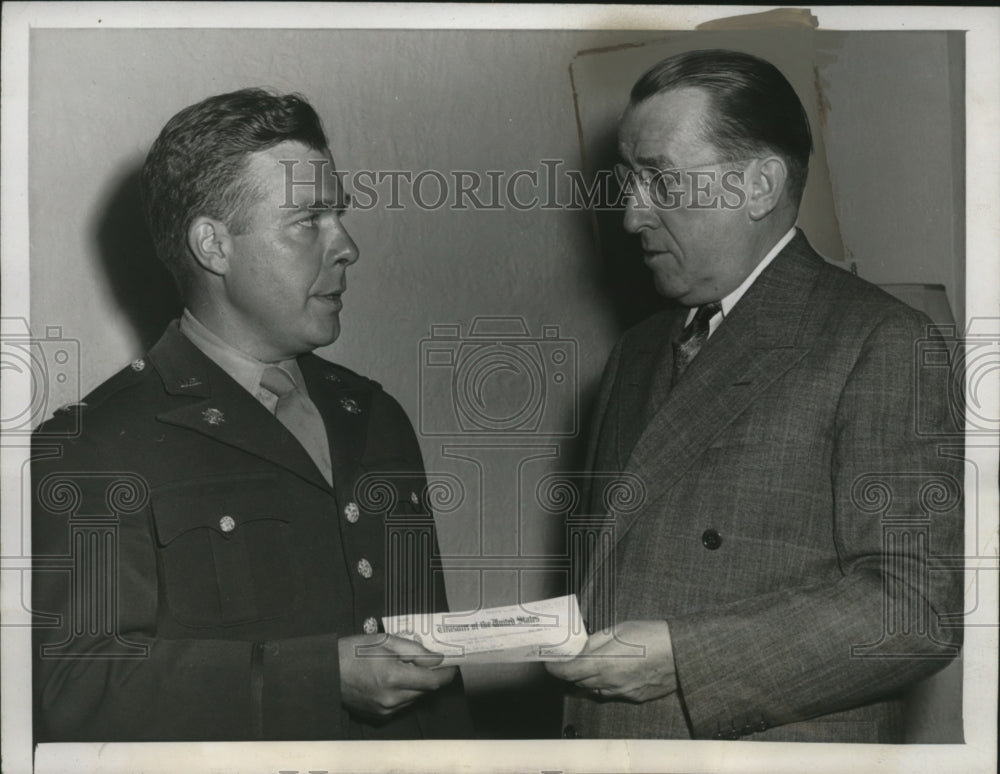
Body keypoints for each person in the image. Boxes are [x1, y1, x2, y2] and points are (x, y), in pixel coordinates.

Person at [545, 49, 963, 742]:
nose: (630, 216)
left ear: (758, 185)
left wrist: (686, 659)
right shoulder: (636, 354)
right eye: (627, 181)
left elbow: (914, 610)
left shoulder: (879, 340)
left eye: (659, 181)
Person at [32, 88, 472, 742]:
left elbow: (438, 693)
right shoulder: (95, 445)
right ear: (213, 246)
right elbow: (79, 689)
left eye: (339, 215)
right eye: (308, 221)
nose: (346, 245)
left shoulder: (375, 416)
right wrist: (318, 677)